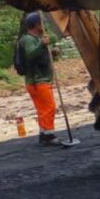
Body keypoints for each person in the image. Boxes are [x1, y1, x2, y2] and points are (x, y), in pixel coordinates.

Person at [18, 12, 61, 146]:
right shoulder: (28, 40)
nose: (44, 25)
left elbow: (40, 58)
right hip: (37, 81)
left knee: (43, 109)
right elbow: (31, 55)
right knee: (49, 107)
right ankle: (49, 134)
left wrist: (51, 52)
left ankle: (43, 133)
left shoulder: (37, 39)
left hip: (40, 80)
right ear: (37, 24)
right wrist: (42, 45)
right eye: (42, 22)